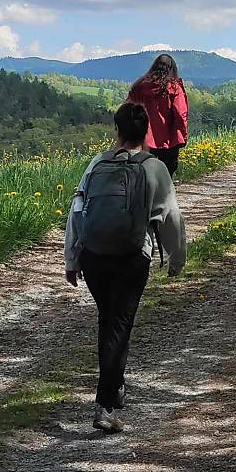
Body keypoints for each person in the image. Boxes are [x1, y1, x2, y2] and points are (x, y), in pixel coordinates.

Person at [64, 103, 187, 433]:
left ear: (116, 131)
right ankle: (104, 404)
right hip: (133, 257)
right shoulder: (154, 168)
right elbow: (171, 217)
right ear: (146, 132)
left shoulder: (96, 163)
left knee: (109, 319)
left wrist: (72, 259)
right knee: (119, 322)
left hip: (93, 255)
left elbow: (77, 211)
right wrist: (177, 259)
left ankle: (114, 387)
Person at [127, 54, 189, 176]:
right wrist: (183, 136)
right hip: (169, 141)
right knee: (166, 176)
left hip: (142, 139)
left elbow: (127, 111)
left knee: (141, 175)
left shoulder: (139, 86)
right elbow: (181, 115)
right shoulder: (174, 88)